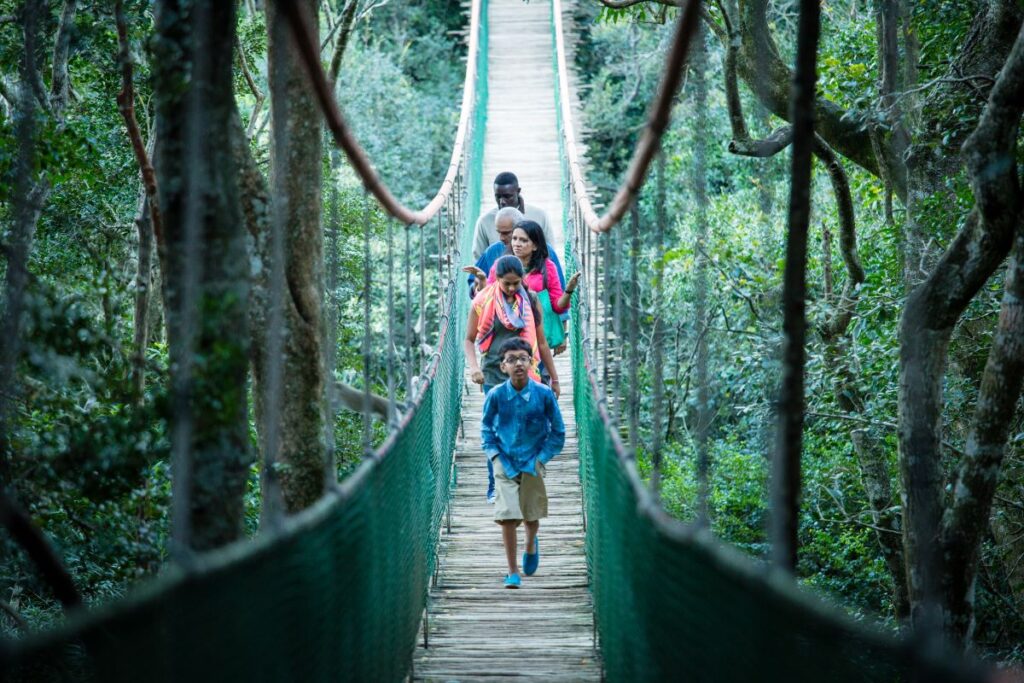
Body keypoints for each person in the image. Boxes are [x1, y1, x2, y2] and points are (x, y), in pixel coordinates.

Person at [464, 255, 561, 502]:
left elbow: (540, 341)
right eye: (506, 283)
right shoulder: (482, 300)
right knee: (496, 427)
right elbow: (469, 338)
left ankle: (526, 477)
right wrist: (474, 367)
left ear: (522, 280)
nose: (510, 288)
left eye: (515, 283)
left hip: (526, 373)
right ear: (496, 280)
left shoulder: (530, 299)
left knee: (529, 425)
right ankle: (495, 483)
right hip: (494, 372)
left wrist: (555, 378)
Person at [481, 337, 565, 588]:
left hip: (532, 461)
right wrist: (494, 456)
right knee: (507, 516)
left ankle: (530, 543)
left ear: (532, 362)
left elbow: (558, 432)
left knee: (531, 515)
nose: (517, 363)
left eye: (522, 358)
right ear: (502, 367)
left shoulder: (544, 395)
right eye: (511, 359)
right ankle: (512, 571)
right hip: (504, 462)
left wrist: (542, 459)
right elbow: (486, 429)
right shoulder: (495, 395)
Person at [483, 220, 580, 361]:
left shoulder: (547, 268)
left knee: (540, 377)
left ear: (535, 245)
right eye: (514, 238)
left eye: (523, 240)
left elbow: (558, 307)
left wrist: (569, 291)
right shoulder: (500, 265)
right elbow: (489, 298)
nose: (517, 243)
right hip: (507, 333)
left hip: (538, 336)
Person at [471, 171, 554, 261]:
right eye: (498, 197)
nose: (502, 201)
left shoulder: (540, 216)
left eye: (507, 196)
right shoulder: (484, 222)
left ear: (518, 192)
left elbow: (549, 252)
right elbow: (479, 258)